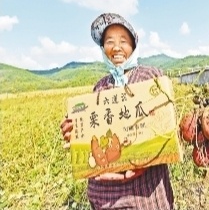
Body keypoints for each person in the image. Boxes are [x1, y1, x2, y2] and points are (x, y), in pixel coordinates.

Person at [60, 13, 174, 209]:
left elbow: (167, 129)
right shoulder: (100, 88)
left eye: (123, 41)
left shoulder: (151, 77)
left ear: (133, 46)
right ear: (103, 49)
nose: (116, 47)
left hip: (144, 192)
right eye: (109, 42)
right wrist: (76, 132)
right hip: (107, 195)